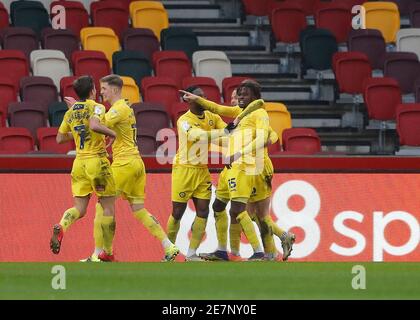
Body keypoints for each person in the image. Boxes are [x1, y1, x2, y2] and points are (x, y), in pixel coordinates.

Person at [78, 74, 180, 262]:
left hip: (124, 163)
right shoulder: (124, 108)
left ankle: (99, 254)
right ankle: (169, 246)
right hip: (136, 163)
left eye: (104, 89)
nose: (101, 93)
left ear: (115, 90)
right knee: (139, 209)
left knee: (102, 205)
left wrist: (79, 109)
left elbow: (96, 125)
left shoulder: (119, 109)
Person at [181, 82, 270, 260]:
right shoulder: (240, 113)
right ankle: (223, 250)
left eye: (244, 95)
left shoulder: (259, 114)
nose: (239, 98)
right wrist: (196, 98)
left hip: (244, 165)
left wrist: (239, 152)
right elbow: (218, 108)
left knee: (240, 210)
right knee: (218, 206)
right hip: (230, 166)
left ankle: (259, 252)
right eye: (239, 95)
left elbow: (265, 137)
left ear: (254, 97)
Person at [50, 75, 117, 260]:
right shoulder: (97, 106)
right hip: (97, 161)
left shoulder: (70, 112)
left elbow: (60, 138)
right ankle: (108, 252)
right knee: (108, 207)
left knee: (79, 209)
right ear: (93, 91)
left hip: (79, 164)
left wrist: (80, 129)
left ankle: (62, 226)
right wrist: (113, 133)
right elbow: (95, 125)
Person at [166, 86, 228, 261]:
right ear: (188, 99)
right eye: (199, 97)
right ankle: (169, 251)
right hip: (183, 170)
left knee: (203, 211)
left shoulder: (212, 117)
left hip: (202, 170)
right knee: (177, 212)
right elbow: (198, 136)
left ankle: (191, 253)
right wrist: (224, 133)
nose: (203, 100)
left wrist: (235, 136)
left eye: (204, 97)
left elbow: (227, 135)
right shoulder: (184, 121)